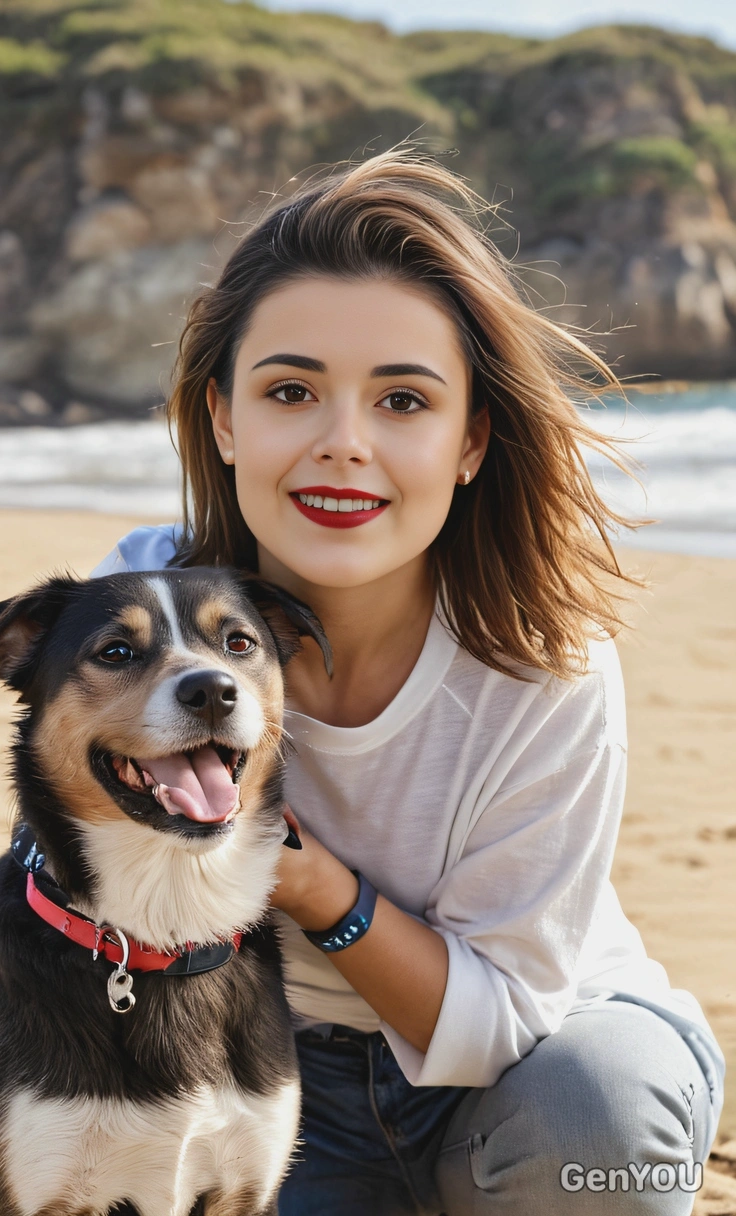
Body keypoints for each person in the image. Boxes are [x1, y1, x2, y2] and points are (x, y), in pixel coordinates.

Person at [92, 150, 725, 1214]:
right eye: (291, 391)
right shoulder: (136, 619)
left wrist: (303, 878)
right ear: (224, 418)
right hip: (259, 1068)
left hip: (535, 1067)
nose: (345, 445)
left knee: (595, 1134)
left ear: (470, 437)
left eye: (402, 400)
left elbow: (499, 1020)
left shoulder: (542, 662)